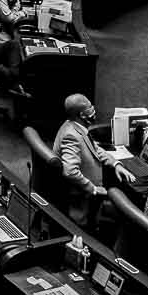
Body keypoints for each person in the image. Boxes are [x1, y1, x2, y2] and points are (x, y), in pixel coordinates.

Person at [54, 93, 116, 225]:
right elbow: (70, 171)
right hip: (80, 198)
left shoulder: (74, 126)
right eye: (90, 108)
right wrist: (92, 188)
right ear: (82, 115)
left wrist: (116, 164)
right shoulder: (71, 136)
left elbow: (94, 147)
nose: (93, 109)